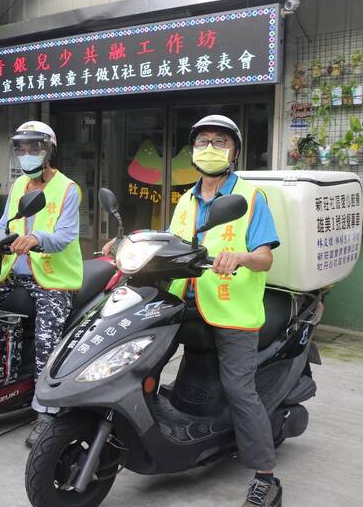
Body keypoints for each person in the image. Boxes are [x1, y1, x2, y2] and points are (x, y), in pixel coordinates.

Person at [103, 115, 281, 507]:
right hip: (185, 303)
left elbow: (266, 258)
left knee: (239, 389)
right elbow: (169, 244)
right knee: (136, 359)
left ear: (234, 152)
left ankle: (266, 477)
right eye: (202, 142)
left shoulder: (250, 197)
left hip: (232, 311)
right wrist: (122, 246)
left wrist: (240, 256)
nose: (209, 149)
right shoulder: (186, 198)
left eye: (219, 142)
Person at [0, 121, 83, 448]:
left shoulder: (67, 188)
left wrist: (36, 238)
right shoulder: (18, 187)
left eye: (34, 148)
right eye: (22, 148)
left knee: (47, 341)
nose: (27, 154)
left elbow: (66, 235)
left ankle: (46, 413)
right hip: (14, 272)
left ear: (48, 150)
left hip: (53, 280)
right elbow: (4, 224)